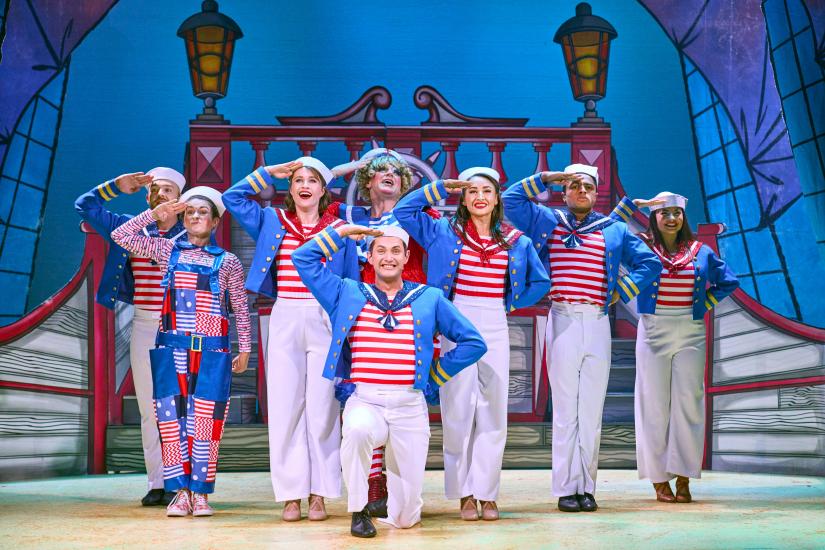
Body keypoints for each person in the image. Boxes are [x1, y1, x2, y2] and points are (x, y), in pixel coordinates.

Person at [293, 223, 487, 538]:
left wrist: (436, 374)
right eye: (380, 250)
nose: (388, 257)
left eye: (395, 250)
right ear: (368, 257)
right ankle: (359, 510)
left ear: (407, 256)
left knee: (407, 516)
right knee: (356, 431)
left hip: (409, 404)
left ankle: (401, 510)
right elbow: (303, 258)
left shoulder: (430, 298)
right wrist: (340, 234)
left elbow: (474, 342)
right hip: (365, 399)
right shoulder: (348, 292)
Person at [502, 164, 661, 513]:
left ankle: (586, 487)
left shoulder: (614, 229)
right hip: (561, 318)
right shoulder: (548, 221)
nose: (581, 192)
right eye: (574, 186)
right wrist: (545, 178)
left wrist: (623, 289)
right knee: (565, 411)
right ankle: (565, 488)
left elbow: (649, 262)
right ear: (564, 191)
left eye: (587, 186)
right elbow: (510, 199)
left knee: (591, 410)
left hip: (598, 319)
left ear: (596, 192)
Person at [394, 167, 550, 520]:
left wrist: (510, 302)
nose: (479, 196)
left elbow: (540, 281)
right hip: (456, 322)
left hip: (495, 320)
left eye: (487, 191)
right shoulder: (443, 232)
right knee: (458, 409)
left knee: (494, 411)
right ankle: (465, 492)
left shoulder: (516, 241)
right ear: (462, 199)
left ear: (496, 199)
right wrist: (438, 188)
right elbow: (404, 211)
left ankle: (487, 492)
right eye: (471, 191)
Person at [222, 158, 359, 521]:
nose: (304, 185)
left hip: (325, 318)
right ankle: (291, 493)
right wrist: (269, 173)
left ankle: (320, 492)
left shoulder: (340, 228)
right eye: (298, 179)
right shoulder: (273, 220)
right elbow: (232, 198)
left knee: (323, 408)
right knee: (284, 407)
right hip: (285, 315)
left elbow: (351, 282)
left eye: (312, 180)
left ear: (323, 190)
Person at [111, 186, 250, 517]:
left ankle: (200, 492)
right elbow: (120, 235)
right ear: (182, 218)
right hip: (172, 346)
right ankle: (179, 492)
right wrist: (154, 214)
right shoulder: (166, 249)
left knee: (206, 422)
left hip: (212, 351)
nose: (196, 217)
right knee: (171, 419)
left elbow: (240, 307)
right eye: (190, 212)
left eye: (203, 212)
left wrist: (244, 347)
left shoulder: (227, 260)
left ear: (215, 221)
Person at [328, 147, 440, 516]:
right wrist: (342, 169)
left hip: (408, 311)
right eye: (380, 171)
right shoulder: (347, 216)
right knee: (365, 398)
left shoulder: (418, 217)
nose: (389, 174)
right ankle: (373, 486)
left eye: (397, 171)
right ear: (366, 180)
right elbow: (315, 208)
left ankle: (399, 486)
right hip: (364, 312)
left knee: (400, 398)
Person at [74, 167, 187, 507]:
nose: (162, 194)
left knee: (178, 408)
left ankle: (179, 481)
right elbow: (85, 205)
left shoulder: (190, 232)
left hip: (179, 327)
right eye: (156, 189)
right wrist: (113, 187)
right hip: (144, 324)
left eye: (169, 190)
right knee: (149, 407)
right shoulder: (130, 225)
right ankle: (157, 482)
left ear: (179, 197)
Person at [624, 192, 739, 503]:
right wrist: (639, 204)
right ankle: (659, 478)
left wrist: (703, 306)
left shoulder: (700, 252)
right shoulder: (642, 246)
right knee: (654, 405)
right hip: (653, 330)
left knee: (689, 403)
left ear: (683, 217)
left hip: (690, 332)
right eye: (664, 213)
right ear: (655, 218)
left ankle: (685, 476)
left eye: (677, 212)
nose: (671, 218)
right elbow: (608, 230)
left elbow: (728, 281)